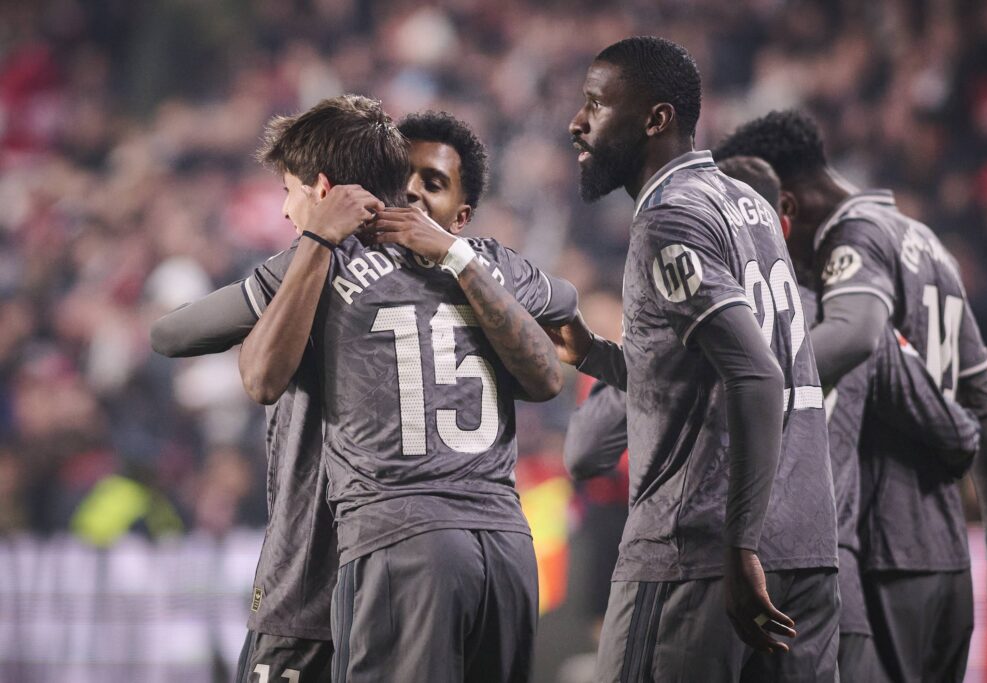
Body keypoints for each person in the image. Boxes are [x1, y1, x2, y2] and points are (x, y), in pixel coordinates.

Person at [150, 102, 577, 682]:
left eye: (288, 190)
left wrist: (317, 242)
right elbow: (561, 315)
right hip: (496, 541)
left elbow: (189, 342)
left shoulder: (315, 260)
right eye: (409, 181)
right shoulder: (495, 265)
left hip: (363, 554)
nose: (415, 199)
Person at [548, 36, 838, 681]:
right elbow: (724, 367)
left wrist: (739, 546)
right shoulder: (750, 206)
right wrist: (599, 355)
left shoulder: (670, 217)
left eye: (595, 104)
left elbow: (758, 373)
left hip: (700, 554)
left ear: (657, 119)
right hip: (807, 548)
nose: (577, 122)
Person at [715, 109, 987, 682]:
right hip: (949, 561)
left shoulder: (849, 239)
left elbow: (856, 334)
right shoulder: (924, 239)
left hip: (882, 558)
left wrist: (746, 380)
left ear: (786, 203)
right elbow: (983, 403)